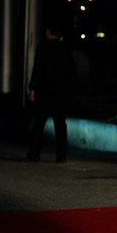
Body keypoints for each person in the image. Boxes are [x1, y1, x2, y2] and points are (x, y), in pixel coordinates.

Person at [26, 22, 76, 163]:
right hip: (61, 92)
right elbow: (71, 71)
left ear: (48, 32)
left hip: (44, 90)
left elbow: (38, 69)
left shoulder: (43, 47)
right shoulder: (66, 48)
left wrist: (32, 88)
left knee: (39, 123)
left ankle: (34, 153)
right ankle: (61, 154)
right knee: (60, 124)